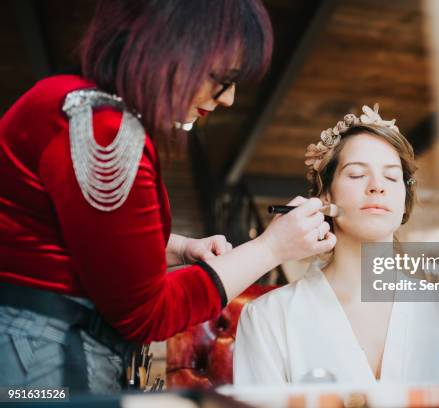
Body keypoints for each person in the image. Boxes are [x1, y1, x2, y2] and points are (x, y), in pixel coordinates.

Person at [0, 0, 335, 393]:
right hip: (44, 356)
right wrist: (270, 249)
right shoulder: (103, 132)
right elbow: (146, 316)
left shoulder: (71, 102)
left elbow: (80, 246)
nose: (227, 98)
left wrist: (176, 249)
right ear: (167, 45)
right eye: (221, 76)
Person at [234, 104, 439, 385]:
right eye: (356, 174)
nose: (378, 186)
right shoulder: (268, 317)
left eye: (391, 176)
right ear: (325, 198)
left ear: (403, 203)